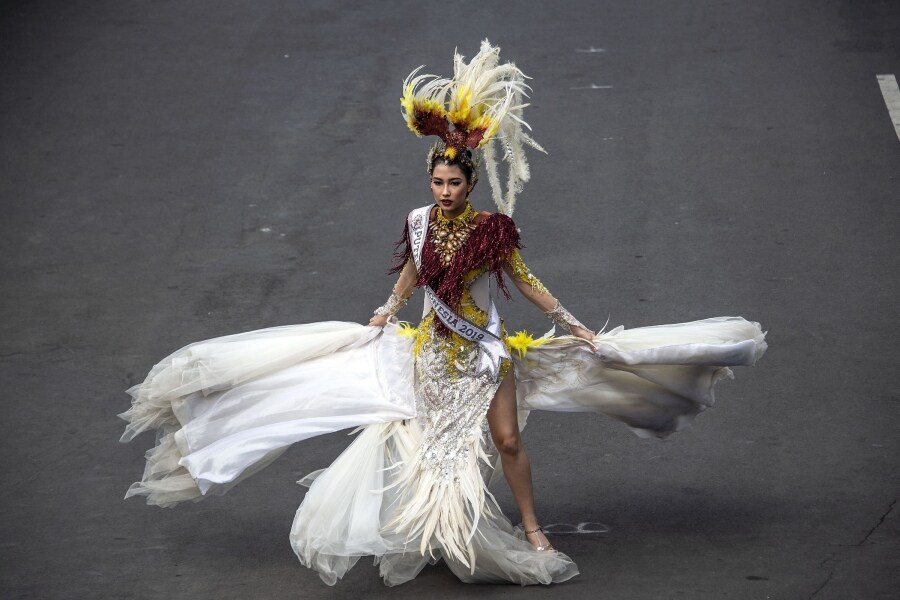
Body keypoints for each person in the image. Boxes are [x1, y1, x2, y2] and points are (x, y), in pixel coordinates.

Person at [120, 41, 766, 587]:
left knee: (508, 440)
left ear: (471, 183)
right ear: (430, 181)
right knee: (438, 447)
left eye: (455, 184)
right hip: (433, 351)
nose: (445, 192)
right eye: (438, 183)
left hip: (486, 352)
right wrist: (386, 308)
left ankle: (532, 528)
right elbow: (410, 269)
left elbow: (524, 280)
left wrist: (568, 321)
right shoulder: (418, 221)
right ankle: (439, 527)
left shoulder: (493, 230)